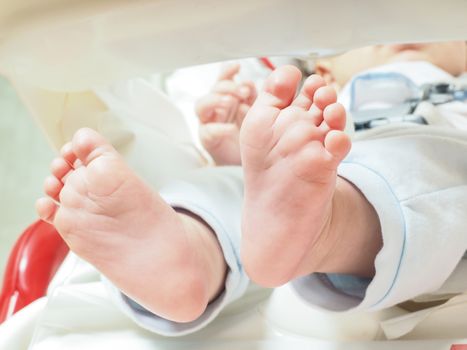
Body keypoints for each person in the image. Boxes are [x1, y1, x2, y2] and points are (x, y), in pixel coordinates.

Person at [35, 41, 467, 336]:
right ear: (324, 71)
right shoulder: (313, 112)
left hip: (433, 155)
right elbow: (273, 193)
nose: (404, 35)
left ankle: (326, 229)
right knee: (231, 186)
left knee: (428, 166)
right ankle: (191, 254)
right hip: (321, 164)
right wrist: (238, 147)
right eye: (375, 34)